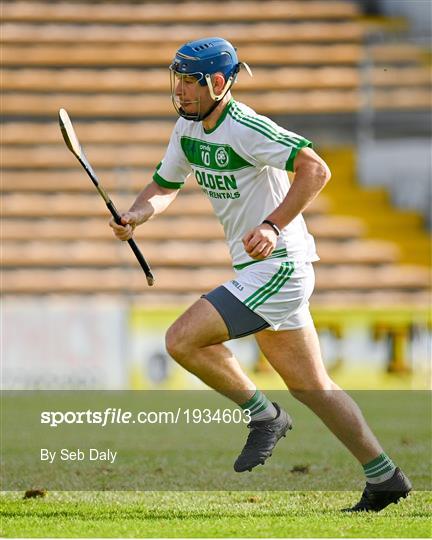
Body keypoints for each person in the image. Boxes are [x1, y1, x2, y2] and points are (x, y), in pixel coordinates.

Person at [110, 37, 411, 512]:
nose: (182, 90)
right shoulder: (186, 130)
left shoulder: (245, 126)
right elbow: (165, 185)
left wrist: (273, 224)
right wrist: (136, 214)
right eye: (179, 80)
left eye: (191, 81)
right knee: (312, 387)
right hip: (260, 270)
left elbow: (316, 168)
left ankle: (263, 415)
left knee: (181, 339)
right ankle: (385, 478)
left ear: (217, 83)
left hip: (280, 267)